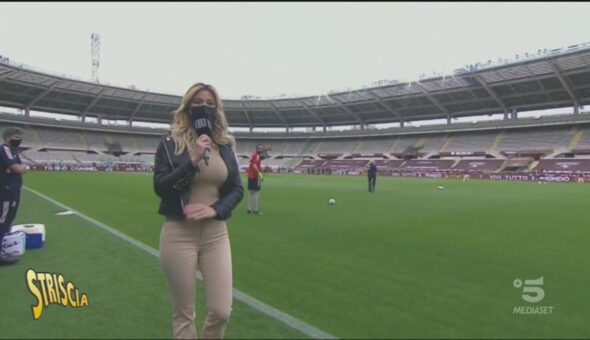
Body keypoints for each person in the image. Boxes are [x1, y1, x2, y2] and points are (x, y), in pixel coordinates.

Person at [153, 83, 243, 339]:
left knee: (221, 310)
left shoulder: (224, 146)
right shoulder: (170, 144)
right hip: (179, 234)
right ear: (188, 106)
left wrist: (215, 209)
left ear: (217, 110)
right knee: (184, 313)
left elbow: (236, 189)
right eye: (198, 102)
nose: (204, 107)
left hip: (216, 235)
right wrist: (191, 162)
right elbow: (163, 189)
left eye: (210, 104)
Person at [0, 127, 26, 263]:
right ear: (8, 137)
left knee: (10, 217)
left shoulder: (14, 151)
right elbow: (18, 168)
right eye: (17, 137)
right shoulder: (5, 149)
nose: (19, 140)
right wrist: (20, 169)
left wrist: (20, 168)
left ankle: (4, 246)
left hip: (13, 189)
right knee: (3, 219)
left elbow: (20, 167)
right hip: (6, 189)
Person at [247, 144, 265, 215]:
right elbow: (254, 165)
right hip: (255, 177)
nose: (261, 150)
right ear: (257, 149)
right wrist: (259, 174)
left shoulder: (254, 155)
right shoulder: (257, 156)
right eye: (259, 148)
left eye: (261, 148)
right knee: (256, 193)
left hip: (250, 176)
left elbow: (252, 164)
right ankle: (255, 210)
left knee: (251, 193)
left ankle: (249, 209)